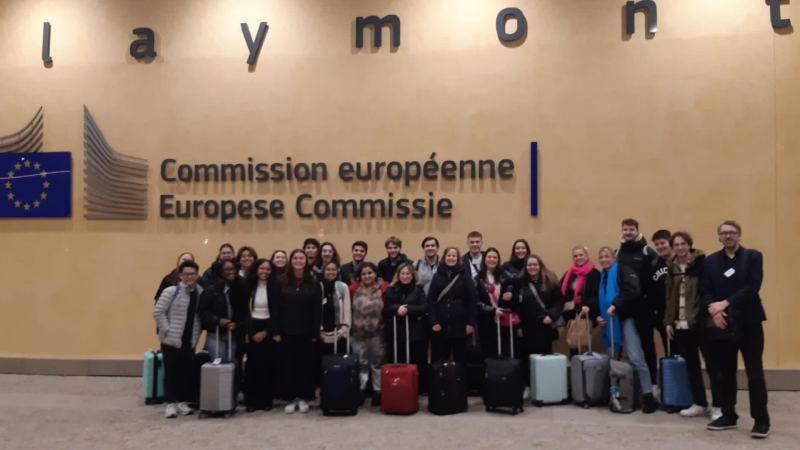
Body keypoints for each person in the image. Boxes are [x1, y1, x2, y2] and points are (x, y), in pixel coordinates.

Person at [701, 221, 769, 438]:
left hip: (749, 323)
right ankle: (729, 415)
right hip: (722, 323)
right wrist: (714, 310)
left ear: (739, 236)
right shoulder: (711, 261)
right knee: (725, 374)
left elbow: (752, 287)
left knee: (755, 374)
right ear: (719, 237)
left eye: (732, 233)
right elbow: (705, 290)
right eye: (724, 233)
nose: (728, 236)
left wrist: (725, 303)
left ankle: (761, 420)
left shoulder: (753, 257)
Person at [602, 246, 660, 414]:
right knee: (613, 358)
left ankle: (648, 395)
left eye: (607, 256)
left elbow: (633, 290)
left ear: (614, 258)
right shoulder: (602, 276)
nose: (604, 260)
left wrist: (616, 304)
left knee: (635, 357)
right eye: (601, 257)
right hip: (611, 321)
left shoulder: (624, 269)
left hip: (627, 318)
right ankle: (618, 394)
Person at [663, 232, 710, 418]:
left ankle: (720, 407)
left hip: (700, 322)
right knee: (691, 365)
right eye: (676, 244)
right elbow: (669, 297)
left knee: (714, 366)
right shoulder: (671, 267)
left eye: (683, 244)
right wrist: (669, 321)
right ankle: (700, 403)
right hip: (680, 324)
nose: (680, 247)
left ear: (690, 245)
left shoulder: (701, 264)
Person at [506, 254, 564, 397]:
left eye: (535, 265)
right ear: (526, 267)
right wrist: (518, 326)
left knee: (545, 358)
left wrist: (552, 315)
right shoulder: (519, 283)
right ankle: (528, 386)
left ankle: (545, 387)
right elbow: (516, 307)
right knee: (526, 359)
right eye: (529, 265)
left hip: (545, 327)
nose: (532, 267)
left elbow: (559, 302)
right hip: (526, 328)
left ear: (540, 266)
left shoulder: (550, 281)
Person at [153, 260, 204, 419]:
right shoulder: (171, 291)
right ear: (181, 275)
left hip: (189, 340)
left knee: (185, 372)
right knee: (171, 372)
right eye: (186, 274)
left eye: (192, 274)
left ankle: (182, 401)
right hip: (171, 340)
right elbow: (158, 312)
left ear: (197, 275)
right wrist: (167, 330)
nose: (189, 277)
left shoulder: (200, 292)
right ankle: (170, 403)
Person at [615, 219, 660, 393]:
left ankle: (653, 383)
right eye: (625, 229)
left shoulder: (647, 251)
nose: (628, 232)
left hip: (644, 307)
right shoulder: (617, 252)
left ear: (637, 231)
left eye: (631, 230)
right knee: (630, 349)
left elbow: (655, 279)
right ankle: (634, 385)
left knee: (647, 344)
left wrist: (654, 304)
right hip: (625, 308)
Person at [278, 250, 322, 414]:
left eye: (301, 258)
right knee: (289, 366)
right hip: (286, 331)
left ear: (306, 261)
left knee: (306, 366)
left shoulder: (314, 282)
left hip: (307, 331)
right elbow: (277, 308)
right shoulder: (282, 281)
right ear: (291, 261)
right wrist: (276, 330)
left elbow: (318, 309)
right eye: (295, 258)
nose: (298, 260)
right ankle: (290, 398)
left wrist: (315, 332)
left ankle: (304, 398)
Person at [383, 262, 430, 394]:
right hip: (397, 333)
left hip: (415, 332)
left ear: (412, 275)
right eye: (402, 274)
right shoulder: (391, 290)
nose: (405, 276)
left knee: (418, 360)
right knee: (399, 359)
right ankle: (399, 387)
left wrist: (407, 309)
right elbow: (385, 310)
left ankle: (419, 388)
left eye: (407, 274)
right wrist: (396, 309)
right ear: (398, 275)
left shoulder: (419, 289)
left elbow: (424, 307)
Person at [427, 247, 478, 363]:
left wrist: (471, 323)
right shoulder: (437, 276)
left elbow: (472, 300)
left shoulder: (465, 275)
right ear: (444, 258)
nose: (451, 258)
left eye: (454, 256)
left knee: (461, 358)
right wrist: (433, 321)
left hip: (461, 324)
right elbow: (431, 300)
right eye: (448, 256)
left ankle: (460, 380)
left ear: (457, 258)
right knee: (440, 359)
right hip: (441, 324)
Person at [243, 259, 282, 412]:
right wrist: (252, 333)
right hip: (252, 327)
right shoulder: (248, 286)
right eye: (262, 268)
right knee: (252, 366)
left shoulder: (275, 287)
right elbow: (244, 312)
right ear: (256, 269)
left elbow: (277, 311)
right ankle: (251, 401)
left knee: (267, 367)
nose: (265, 272)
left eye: (268, 269)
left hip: (268, 328)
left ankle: (266, 400)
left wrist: (266, 332)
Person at [348, 262, 388, 406]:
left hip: (378, 333)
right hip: (357, 334)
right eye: (364, 274)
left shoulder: (384, 287)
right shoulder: (353, 289)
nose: (367, 276)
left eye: (370, 273)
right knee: (361, 364)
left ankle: (378, 392)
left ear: (375, 273)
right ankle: (361, 390)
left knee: (378, 363)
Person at [198, 260, 248, 369]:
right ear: (221, 272)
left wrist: (236, 324)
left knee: (233, 367)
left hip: (234, 336)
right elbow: (202, 312)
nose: (231, 272)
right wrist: (218, 321)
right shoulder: (211, 289)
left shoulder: (240, 288)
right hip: (216, 336)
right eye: (227, 270)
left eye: (233, 269)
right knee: (219, 368)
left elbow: (244, 313)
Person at [560, 246, 601, 356]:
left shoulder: (594, 273)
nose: (578, 258)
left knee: (584, 344)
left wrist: (585, 304)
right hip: (571, 315)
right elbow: (561, 290)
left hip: (586, 315)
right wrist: (565, 303)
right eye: (575, 256)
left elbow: (596, 293)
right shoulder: (570, 273)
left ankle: (585, 369)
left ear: (587, 256)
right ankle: (576, 369)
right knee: (573, 345)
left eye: (581, 255)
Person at [475, 248, 512, 358]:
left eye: (495, 257)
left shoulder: (506, 276)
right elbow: (475, 301)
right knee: (488, 352)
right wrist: (492, 311)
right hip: (486, 320)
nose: (492, 260)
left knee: (506, 351)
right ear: (484, 259)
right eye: (489, 257)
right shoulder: (477, 278)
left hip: (505, 320)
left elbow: (515, 296)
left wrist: (511, 297)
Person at [319, 261, 352, 355]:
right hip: (321, 334)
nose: (331, 272)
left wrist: (342, 332)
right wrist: (319, 331)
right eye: (328, 270)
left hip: (339, 333)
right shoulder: (317, 287)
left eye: (333, 270)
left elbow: (347, 312)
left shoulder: (342, 287)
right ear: (323, 271)